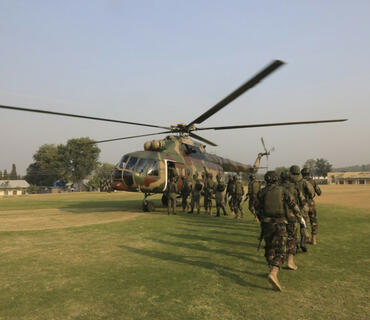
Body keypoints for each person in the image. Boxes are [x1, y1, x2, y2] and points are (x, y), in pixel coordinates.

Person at [257, 171, 302, 291]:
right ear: (277, 179)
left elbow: (257, 209)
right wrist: (299, 216)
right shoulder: (282, 190)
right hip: (280, 223)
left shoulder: (261, 192)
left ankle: (270, 269)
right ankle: (274, 272)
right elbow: (293, 204)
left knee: (269, 247)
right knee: (281, 250)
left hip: (266, 224)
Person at [279, 170, 305, 270]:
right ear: (289, 178)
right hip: (292, 217)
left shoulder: (277, 188)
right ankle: (290, 262)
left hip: (279, 217)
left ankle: (278, 261)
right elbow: (302, 201)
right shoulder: (295, 187)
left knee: (280, 238)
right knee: (292, 238)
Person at [289, 165, 315, 252]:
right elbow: (312, 193)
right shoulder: (304, 182)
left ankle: (295, 245)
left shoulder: (288, 183)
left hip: (292, 207)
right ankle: (303, 242)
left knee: (293, 226)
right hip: (303, 206)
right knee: (303, 225)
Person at [301, 167, 322, 245]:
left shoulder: (300, 182)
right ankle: (314, 240)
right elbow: (319, 192)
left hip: (303, 205)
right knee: (313, 221)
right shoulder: (312, 182)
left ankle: (306, 237)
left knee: (304, 222)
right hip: (311, 204)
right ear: (309, 173)